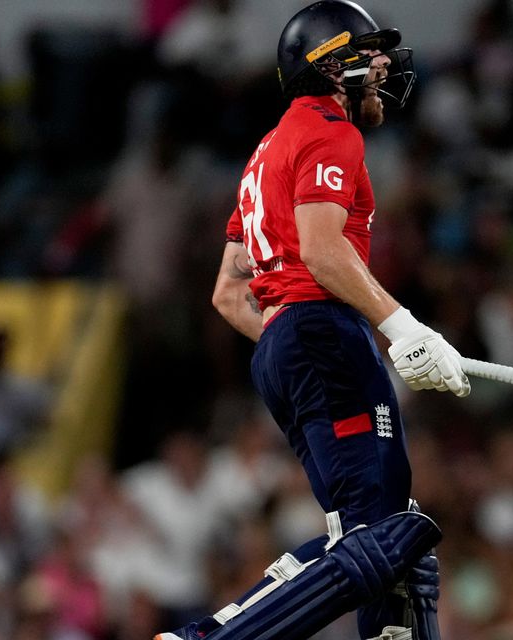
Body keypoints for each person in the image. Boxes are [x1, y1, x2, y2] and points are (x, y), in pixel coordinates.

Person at [156, 2, 470, 640]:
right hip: (323, 333)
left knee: (392, 541)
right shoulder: (332, 131)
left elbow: (227, 294)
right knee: (384, 532)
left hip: (286, 341)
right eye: (369, 49)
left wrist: (290, 339)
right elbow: (324, 251)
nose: (384, 63)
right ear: (332, 68)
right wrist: (403, 328)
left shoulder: (266, 150)